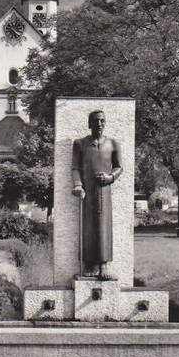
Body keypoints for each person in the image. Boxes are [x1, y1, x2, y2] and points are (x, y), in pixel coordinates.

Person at [71, 110, 122, 279]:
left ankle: (104, 265)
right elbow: (75, 168)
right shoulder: (80, 144)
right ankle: (88, 264)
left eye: (102, 121)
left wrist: (110, 177)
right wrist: (78, 185)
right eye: (95, 121)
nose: (99, 124)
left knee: (103, 225)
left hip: (104, 191)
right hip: (87, 193)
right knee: (88, 226)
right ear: (89, 124)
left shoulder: (113, 143)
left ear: (105, 123)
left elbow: (119, 167)